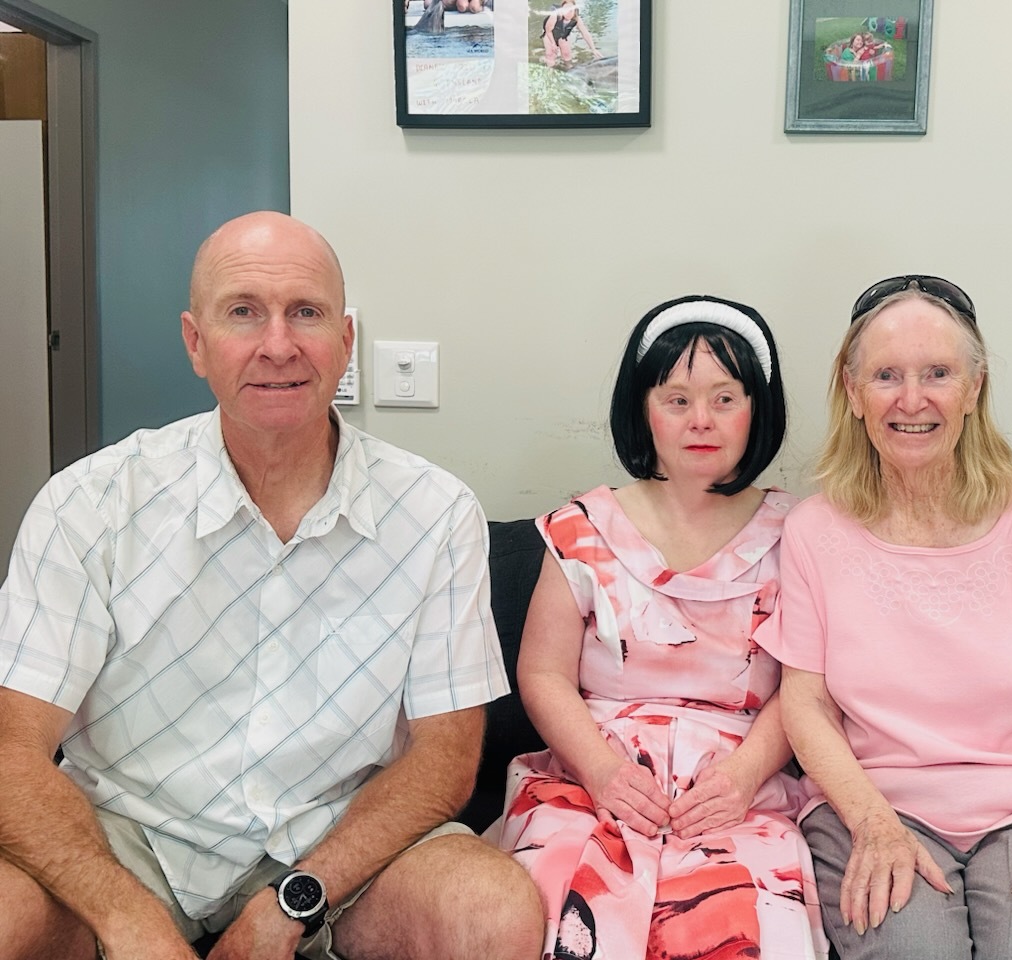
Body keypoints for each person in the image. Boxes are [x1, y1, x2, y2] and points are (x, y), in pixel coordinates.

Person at [0, 211, 543, 960]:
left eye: (306, 313)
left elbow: (445, 758)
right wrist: (128, 921)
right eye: (244, 312)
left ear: (345, 342)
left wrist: (296, 901)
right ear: (196, 342)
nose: (279, 345)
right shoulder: (88, 503)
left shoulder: (435, 512)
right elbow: (12, 748)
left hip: (340, 838)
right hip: (126, 838)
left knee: (494, 914)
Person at [757, 276, 1012, 960]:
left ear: (974, 388)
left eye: (938, 373)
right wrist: (872, 823)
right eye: (886, 376)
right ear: (852, 392)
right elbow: (806, 703)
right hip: (876, 806)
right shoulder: (815, 530)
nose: (912, 399)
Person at [489, 296, 827, 959]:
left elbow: (807, 687)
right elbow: (543, 673)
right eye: (677, 400)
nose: (701, 420)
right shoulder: (581, 528)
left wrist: (742, 778)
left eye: (724, 399)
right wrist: (602, 771)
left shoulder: (803, 535)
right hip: (592, 778)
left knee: (746, 927)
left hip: (738, 787)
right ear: (643, 409)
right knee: (566, 916)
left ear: (757, 409)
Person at [542, 1, 602, 67]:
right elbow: (548, 30)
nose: (568, 13)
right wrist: (553, 44)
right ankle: (550, 69)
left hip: (562, 35)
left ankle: (568, 68)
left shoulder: (576, 19)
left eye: (571, 10)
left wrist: (593, 49)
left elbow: (585, 33)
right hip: (550, 35)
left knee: (567, 55)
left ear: (574, 10)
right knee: (550, 55)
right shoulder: (555, 16)